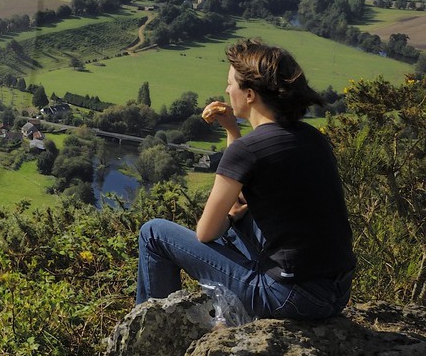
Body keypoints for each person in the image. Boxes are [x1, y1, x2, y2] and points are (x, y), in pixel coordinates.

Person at [134, 38, 354, 320]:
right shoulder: (312, 138)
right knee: (239, 221)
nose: (227, 90)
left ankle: (156, 331)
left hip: (287, 297)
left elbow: (205, 232)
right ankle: (225, 320)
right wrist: (231, 129)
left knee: (153, 233)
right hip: (334, 294)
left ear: (249, 94)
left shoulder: (247, 150)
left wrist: (229, 217)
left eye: (231, 83)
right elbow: (248, 178)